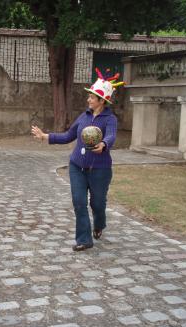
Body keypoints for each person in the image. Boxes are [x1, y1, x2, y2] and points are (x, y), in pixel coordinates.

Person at [32, 69, 122, 252]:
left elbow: (111, 136)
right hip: (77, 166)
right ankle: (84, 239)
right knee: (79, 202)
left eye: (92, 97)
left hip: (100, 170)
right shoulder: (84, 116)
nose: (88, 100)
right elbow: (68, 136)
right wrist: (45, 136)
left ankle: (99, 225)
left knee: (98, 203)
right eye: (89, 97)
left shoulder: (110, 119)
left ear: (102, 101)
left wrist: (104, 144)